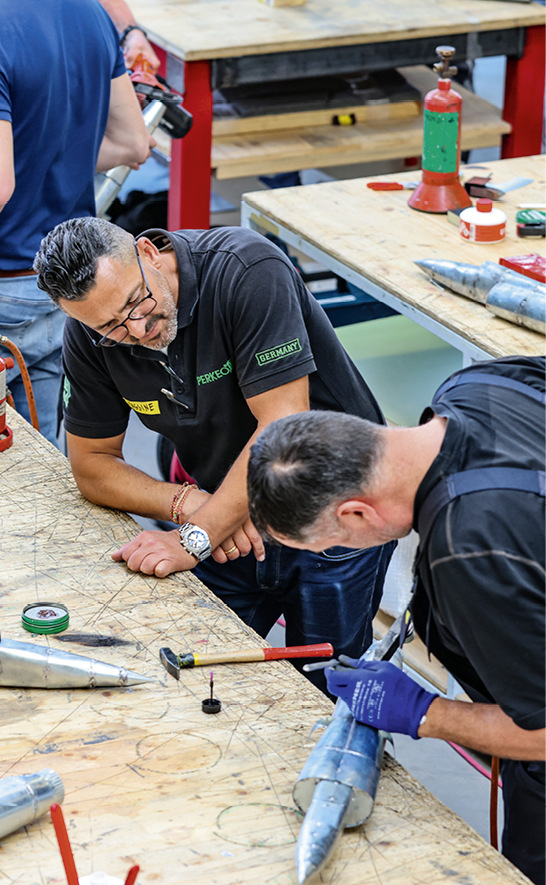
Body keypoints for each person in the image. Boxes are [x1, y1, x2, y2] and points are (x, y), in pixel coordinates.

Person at [33, 216, 395, 692]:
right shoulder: (90, 334)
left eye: (136, 302)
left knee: (328, 689)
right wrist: (192, 506)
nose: (137, 329)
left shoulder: (247, 269)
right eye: (112, 327)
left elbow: (281, 428)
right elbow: (91, 466)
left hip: (332, 514)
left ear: (147, 252)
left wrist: (194, 538)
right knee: (199, 679)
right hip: (232, 521)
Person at [246, 355, 545, 885]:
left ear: (356, 513)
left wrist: (425, 712)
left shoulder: (468, 552)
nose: (343, 549)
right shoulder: (476, 385)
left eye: (334, 544)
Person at [0, 0, 150, 445]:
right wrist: (45, 155)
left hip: (4, 287)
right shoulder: (90, 12)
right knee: (39, 464)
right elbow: (133, 143)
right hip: (61, 289)